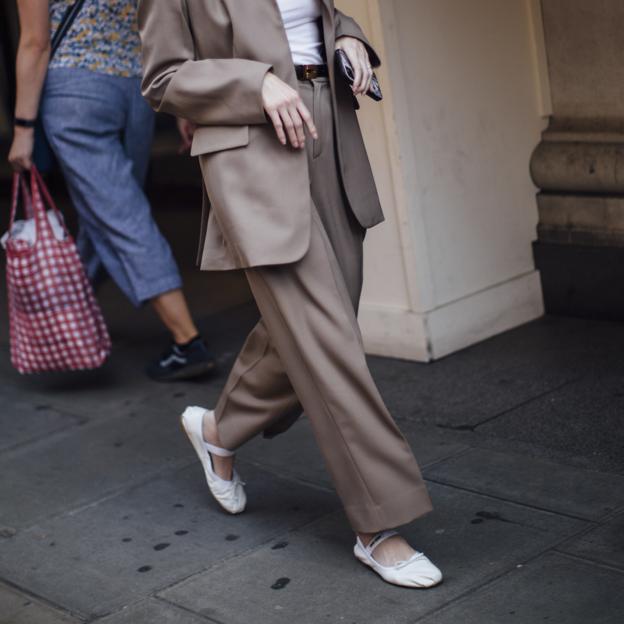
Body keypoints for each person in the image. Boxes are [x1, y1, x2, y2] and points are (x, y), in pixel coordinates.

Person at [138, 0, 443, 588]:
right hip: (252, 150)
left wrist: (350, 38)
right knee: (326, 342)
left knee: (310, 331)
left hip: (330, 127)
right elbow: (164, 78)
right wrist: (256, 85)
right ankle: (381, 525)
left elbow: (318, 17)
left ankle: (217, 433)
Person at [7, 0, 216, 382]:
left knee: (120, 213)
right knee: (107, 206)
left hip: (75, 92)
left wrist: (22, 128)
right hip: (133, 91)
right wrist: (179, 105)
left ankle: (188, 341)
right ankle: (67, 311)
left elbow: (35, 43)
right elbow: (159, 25)